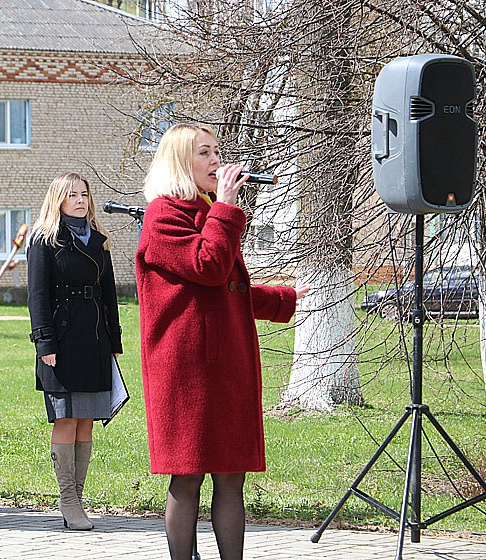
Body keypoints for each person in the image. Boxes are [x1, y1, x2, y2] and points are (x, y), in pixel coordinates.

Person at [135, 124, 309, 559]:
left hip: (225, 364)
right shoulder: (163, 216)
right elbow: (209, 266)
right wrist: (227, 209)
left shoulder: (209, 210)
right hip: (188, 369)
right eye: (205, 153)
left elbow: (225, 291)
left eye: (216, 151)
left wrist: (284, 299)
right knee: (189, 474)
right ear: (180, 161)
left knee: (232, 474)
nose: (217, 161)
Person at [27, 172, 123, 531]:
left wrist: (114, 342)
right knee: (66, 418)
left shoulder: (99, 240)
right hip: (62, 341)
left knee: (87, 420)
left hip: (95, 340)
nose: (81, 200)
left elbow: (109, 294)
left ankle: (78, 499)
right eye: (72, 195)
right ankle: (68, 500)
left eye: (84, 194)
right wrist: (45, 342)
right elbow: (37, 295)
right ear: (58, 200)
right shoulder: (44, 240)